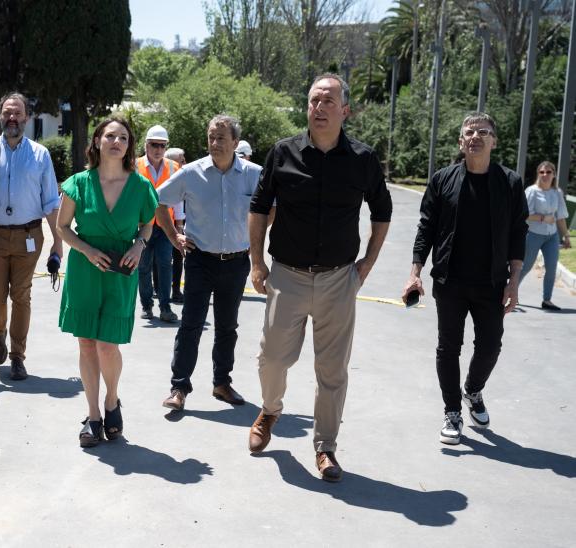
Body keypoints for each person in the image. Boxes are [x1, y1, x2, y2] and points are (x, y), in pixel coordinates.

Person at [248, 73, 392, 483]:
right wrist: (257, 263)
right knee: (272, 357)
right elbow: (259, 208)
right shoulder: (283, 153)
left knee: (332, 370)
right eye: (314, 100)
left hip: (337, 280)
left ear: (344, 110)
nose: (321, 107)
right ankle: (270, 409)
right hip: (287, 276)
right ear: (306, 107)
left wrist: (366, 264)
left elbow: (382, 211)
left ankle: (325, 446)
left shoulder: (363, 159)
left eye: (329, 100)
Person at [402, 111, 528, 446]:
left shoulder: (510, 183)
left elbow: (518, 234)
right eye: (469, 132)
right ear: (460, 141)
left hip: (491, 283)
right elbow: (426, 228)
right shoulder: (443, 179)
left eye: (483, 132)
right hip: (450, 280)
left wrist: (514, 282)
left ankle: (472, 390)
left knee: (490, 346)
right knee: (448, 347)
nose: (475, 137)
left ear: (494, 141)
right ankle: (452, 412)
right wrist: (414, 272)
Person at [57, 116, 158, 447]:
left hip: (120, 272)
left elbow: (147, 225)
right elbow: (62, 227)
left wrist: (140, 246)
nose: (117, 142)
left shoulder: (141, 187)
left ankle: (111, 401)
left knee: (107, 344)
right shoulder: (78, 183)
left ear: (129, 146)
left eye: (124, 138)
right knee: (86, 342)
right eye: (110, 136)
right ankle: (93, 417)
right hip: (86, 270)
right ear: (97, 141)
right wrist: (86, 251)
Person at [157, 115, 262, 411]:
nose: (214, 143)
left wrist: (256, 248)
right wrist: (174, 235)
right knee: (190, 324)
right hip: (200, 261)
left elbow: (271, 209)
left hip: (237, 262)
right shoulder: (191, 173)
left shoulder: (253, 174)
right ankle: (179, 388)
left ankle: (221, 383)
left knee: (227, 326)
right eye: (211, 137)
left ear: (235, 142)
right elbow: (158, 200)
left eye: (221, 138)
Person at [0, 92, 63, 381]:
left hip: (30, 236)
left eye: (18, 113)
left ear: (27, 117)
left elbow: (50, 202)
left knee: (21, 296)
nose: (13, 118)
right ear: (0, 116)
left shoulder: (40, 155)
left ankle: (18, 355)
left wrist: (58, 244)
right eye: (8, 113)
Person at [137, 125, 180, 323]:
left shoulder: (174, 167)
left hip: (165, 226)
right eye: (154, 144)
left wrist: (178, 227)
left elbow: (179, 199)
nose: (158, 149)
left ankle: (165, 307)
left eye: (162, 145)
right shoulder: (134, 166)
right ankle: (146, 305)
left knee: (165, 265)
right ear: (146, 145)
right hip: (141, 226)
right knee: (144, 266)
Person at [519, 161, 572, 310]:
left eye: (548, 172)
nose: (545, 175)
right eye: (541, 172)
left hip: (551, 236)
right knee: (525, 266)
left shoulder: (557, 192)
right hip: (533, 234)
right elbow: (524, 214)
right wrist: (543, 218)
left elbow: (560, 216)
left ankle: (547, 300)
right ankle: (510, 293)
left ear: (554, 174)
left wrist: (566, 236)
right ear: (538, 174)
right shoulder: (531, 191)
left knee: (551, 267)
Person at [164, 147, 187, 303]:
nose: (185, 162)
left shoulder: (186, 175)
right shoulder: (170, 176)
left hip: (179, 222)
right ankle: (160, 289)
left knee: (178, 258)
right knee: (162, 260)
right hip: (163, 223)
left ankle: (176, 291)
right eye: (182, 159)